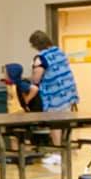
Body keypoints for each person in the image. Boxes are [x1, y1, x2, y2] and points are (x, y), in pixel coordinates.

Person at [24, 30, 79, 168]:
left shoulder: (41, 58)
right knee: (65, 123)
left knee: (55, 125)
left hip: (54, 94)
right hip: (67, 92)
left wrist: (30, 79)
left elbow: (37, 77)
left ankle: (57, 153)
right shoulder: (59, 52)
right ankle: (67, 149)